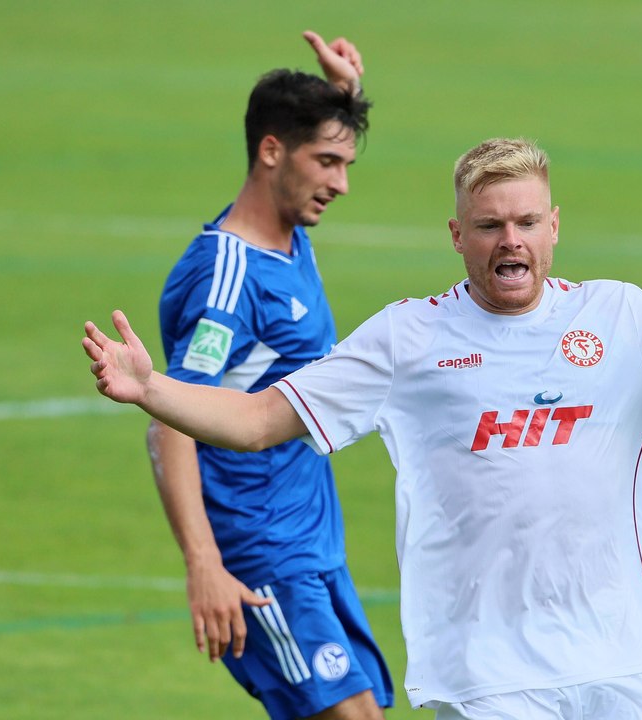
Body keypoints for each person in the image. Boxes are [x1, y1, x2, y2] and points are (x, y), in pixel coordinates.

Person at [85, 137, 642, 719]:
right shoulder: (407, 338)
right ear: (458, 236)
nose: (512, 241)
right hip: (486, 674)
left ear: (554, 227)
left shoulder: (621, 319)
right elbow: (260, 419)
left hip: (620, 658)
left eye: (527, 222)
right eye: (491, 225)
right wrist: (152, 388)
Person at [144, 30, 392, 720]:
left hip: (311, 537)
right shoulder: (225, 281)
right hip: (259, 551)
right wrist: (204, 565)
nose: (341, 183)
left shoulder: (289, 232)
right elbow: (167, 421)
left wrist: (343, 93)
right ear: (271, 151)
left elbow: (307, 138)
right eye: (328, 162)